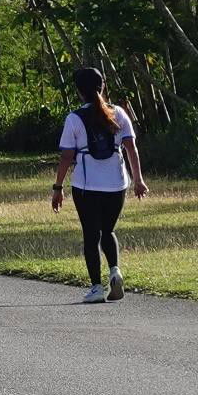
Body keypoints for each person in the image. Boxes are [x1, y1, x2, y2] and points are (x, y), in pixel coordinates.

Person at [51, 67, 149, 303]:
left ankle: (96, 288)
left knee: (90, 234)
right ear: (102, 86)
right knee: (108, 230)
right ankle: (115, 271)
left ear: (79, 91)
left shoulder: (74, 118)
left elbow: (66, 156)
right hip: (117, 183)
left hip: (87, 185)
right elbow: (131, 148)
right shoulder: (120, 114)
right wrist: (138, 180)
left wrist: (58, 187)